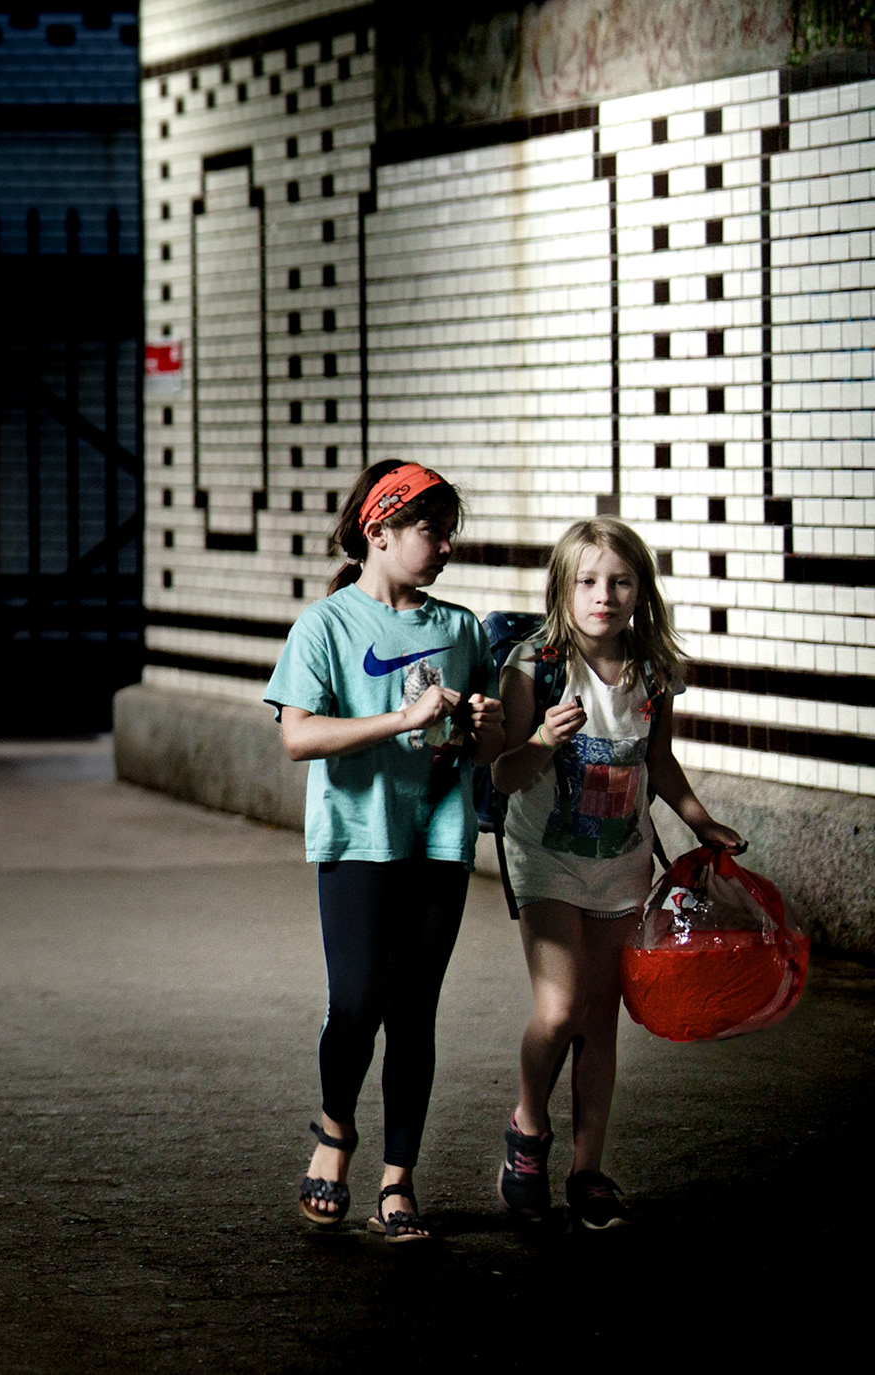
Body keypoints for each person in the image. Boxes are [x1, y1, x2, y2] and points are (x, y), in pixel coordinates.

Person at [265, 459, 504, 1242]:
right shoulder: (326, 626)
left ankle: (398, 1179)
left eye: (448, 533)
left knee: (414, 1011)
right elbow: (299, 736)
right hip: (359, 834)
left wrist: (483, 722)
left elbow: (485, 743)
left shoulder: (461, 628)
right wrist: (401, 721)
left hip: (438, 835)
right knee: (357, 1001)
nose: (445, 548)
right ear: (381, 531)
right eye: (433, 531)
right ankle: (337, 1131)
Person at [488, 517, 742, 1230]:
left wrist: (700, 820)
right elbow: (504, 774)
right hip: (545, 856)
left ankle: (588, 1169)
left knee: (601, 1022)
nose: (605, 595)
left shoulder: (652, 671)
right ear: (563, 588)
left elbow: (658, 762)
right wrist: (541, 737)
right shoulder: (531, 666)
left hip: (623, 862)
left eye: (621, 581)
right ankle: (527, 1129)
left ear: (642, 591)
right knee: (561, 1008)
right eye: (589, 580)